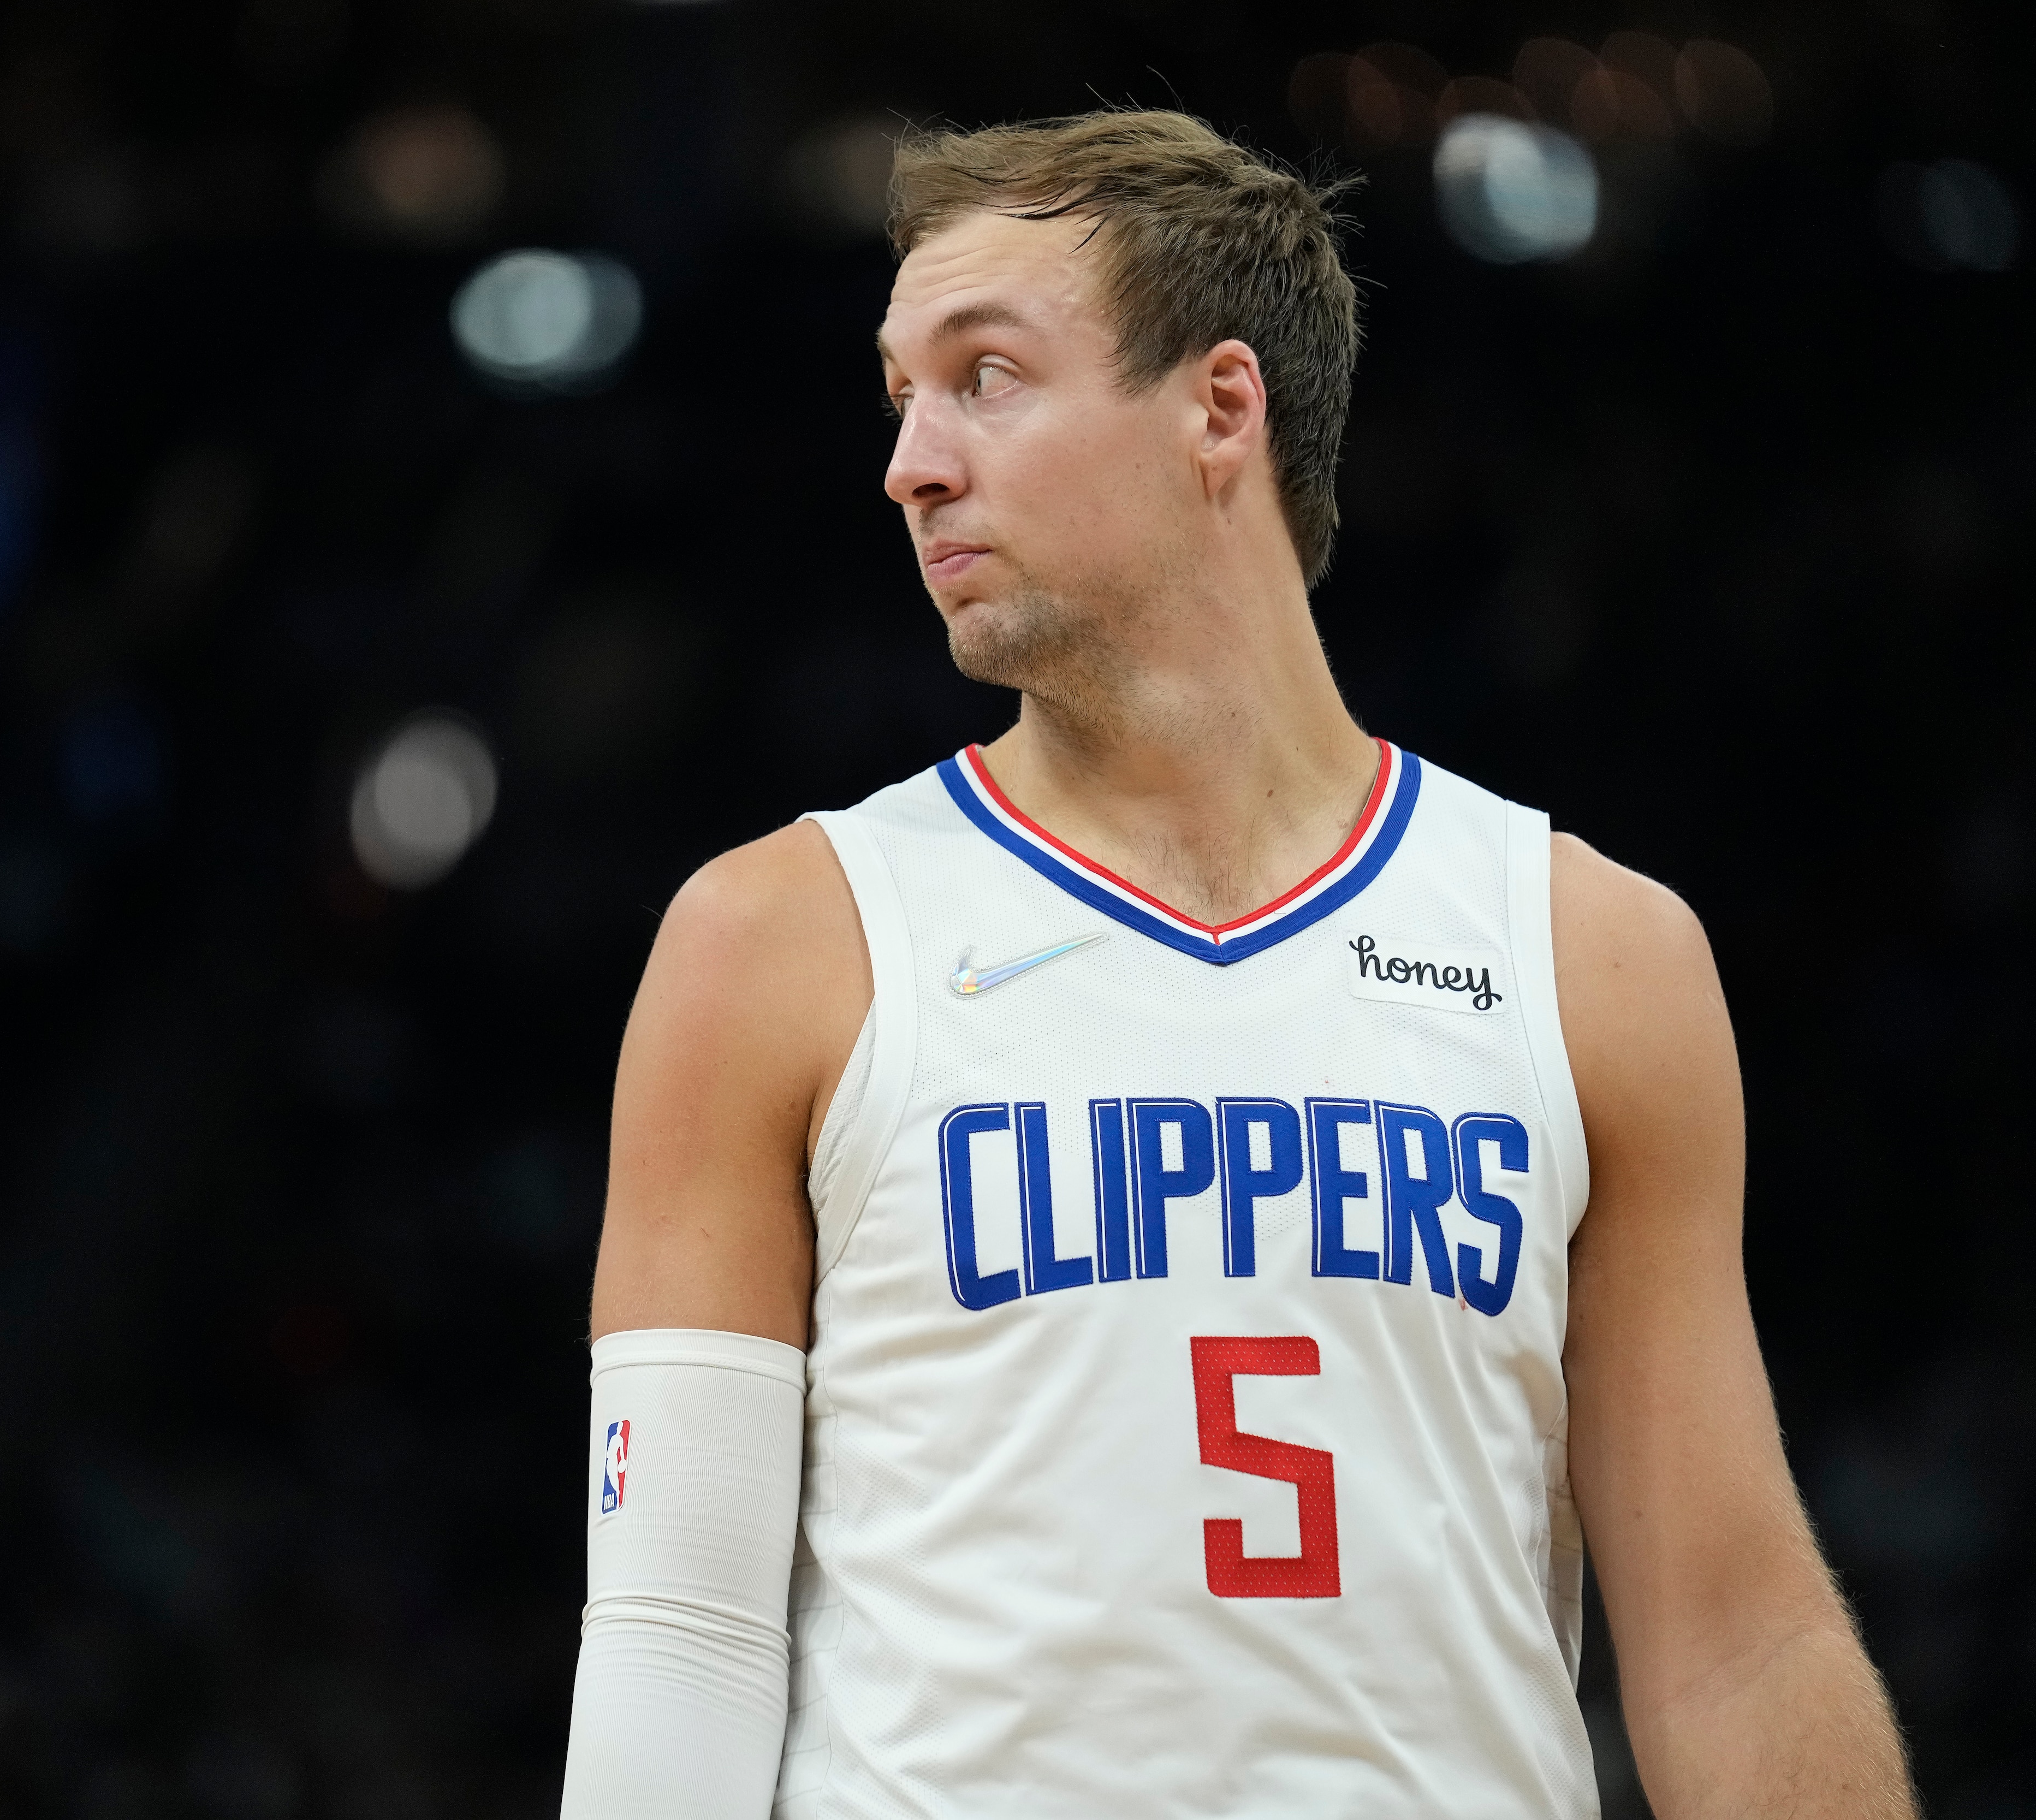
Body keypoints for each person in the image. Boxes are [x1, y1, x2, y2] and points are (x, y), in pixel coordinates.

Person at [556, 108, 1916, 1818]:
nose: (911, 462)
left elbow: (1733, 1636)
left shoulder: (1592, 952)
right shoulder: (780, 939)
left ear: (1219, 406)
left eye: (986, 376)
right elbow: (679, 1638)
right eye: (900, 395)